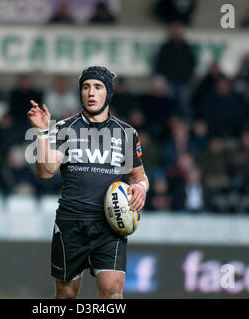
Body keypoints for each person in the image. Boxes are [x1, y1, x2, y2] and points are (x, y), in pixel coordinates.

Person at [27, 66, 149, 299]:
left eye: (98, 87)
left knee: (112, 292)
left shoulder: (127, 133)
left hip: (110, 226)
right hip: (71, 223)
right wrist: (42, 132)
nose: (91, 92)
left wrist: (141, 188)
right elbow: (46, 171)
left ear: (108, 94)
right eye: (86, 87)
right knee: (66, 295)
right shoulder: (64, 129)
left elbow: (138, 176)